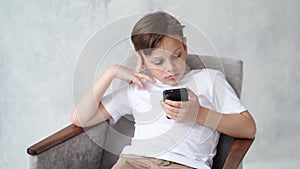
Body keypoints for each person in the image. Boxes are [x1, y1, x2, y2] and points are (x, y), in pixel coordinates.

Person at [70, 11, 256, 169]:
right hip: (134, 162)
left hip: (185, 164)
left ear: (184, 45)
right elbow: (80, 118)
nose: (171, 68)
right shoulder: (138, 87)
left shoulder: (209, 79)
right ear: (142, 58)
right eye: (158, 62)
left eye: (177, 55)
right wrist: (111, 72)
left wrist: (200, 114)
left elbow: (248, 128)